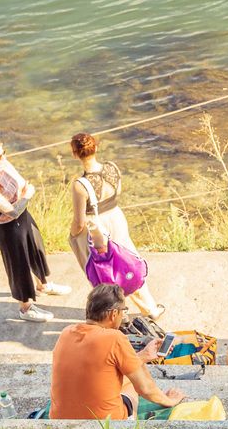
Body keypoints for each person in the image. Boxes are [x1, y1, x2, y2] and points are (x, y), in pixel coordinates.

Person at [50, 283, 186, 420]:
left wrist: (144, 355)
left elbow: (101, 365)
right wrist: (170, 401)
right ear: (114, 314)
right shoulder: (115, 338)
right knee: (130, 385)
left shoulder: (66, 333)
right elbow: (145, 388)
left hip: (59, 418)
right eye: (124, 310)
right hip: (106, 423)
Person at [67, 132, 163, 320]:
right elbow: (116, 193)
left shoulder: (80, 185)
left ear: (75, 154)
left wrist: (73, 236)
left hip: (96, 227)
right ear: (96, 147)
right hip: (116, 218)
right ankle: (150, 308)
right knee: (128, 263)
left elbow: (79, 221)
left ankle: (119, 315)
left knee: (104, 272)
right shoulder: (113, 168)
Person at [0, 137, 70, 323]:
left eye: (3, 153)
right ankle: (25, 308)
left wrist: (22, 197)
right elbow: (12, 211)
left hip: (23, 217)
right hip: (7, 228)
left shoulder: (4, 165)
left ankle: (43, 285)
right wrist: (26, 196)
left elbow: (21, 183)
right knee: (19, 267)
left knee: (37, 250)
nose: (4, 158)